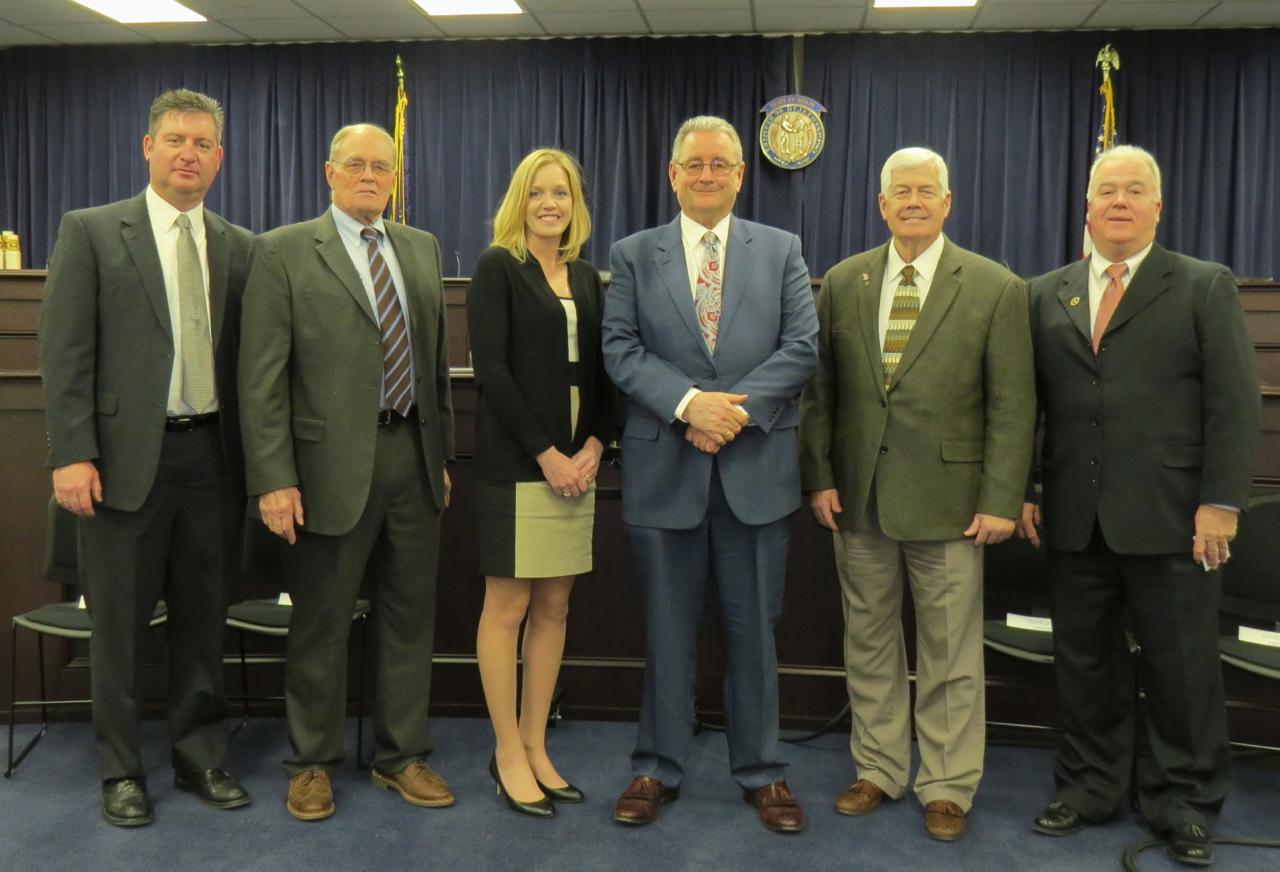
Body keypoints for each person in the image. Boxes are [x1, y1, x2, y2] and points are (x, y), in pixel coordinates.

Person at [1019, 145, 1259, 867]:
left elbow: (1233, 405)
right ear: (1085, 207)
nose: (1119, 201)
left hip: (1174, 516)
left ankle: (1183, 802)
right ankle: (1090, 786)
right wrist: (1028, 488)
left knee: (1182, 667)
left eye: (1135, 190)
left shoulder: (1201, 286)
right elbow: (1030, 406)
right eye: (1106, 190)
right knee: (1084, 662)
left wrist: (1221, 503)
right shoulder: (1044, 293)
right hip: (1072, 514)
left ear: (1158, 206)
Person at [799, 147, 1035, 842]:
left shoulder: (995, 287)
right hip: (860, 500)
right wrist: (820, 476)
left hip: (955, 504)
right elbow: (822, 395)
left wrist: (1000, 496)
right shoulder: (845, 281)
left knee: (949, 652)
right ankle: (876, 767)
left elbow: (1014, 406)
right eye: (899, 191)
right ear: (881, 205)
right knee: (868, 641)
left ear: (947, 202)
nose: (912, 200)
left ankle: (946, 783)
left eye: (925, 190)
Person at [38, 88, 253, 826]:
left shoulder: (239, 246)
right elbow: (65, 354)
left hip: (213, 464)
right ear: (147, 148)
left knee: (202, 621)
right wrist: (71, 453)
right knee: (121, 629)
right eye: (174, 140)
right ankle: (121, 771)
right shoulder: (93, 232)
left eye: (201, 144)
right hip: (121, 465)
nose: (187, 153)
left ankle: (200, 759)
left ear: (218, 159)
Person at [601, 115, 818, 833]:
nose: (706, 175)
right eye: (693, 165)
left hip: (755, 472)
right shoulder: (633, 254)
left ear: (739, 174)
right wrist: (690, 405)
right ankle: (656, 766)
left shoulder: (781, 249)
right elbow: (622, 350)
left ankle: (761, 771)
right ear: (672, 175)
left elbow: (801, 347)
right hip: (666, 469)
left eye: (720, 164)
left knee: (755, 630)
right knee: (666, 630)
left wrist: (732, 414)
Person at [238, 123, 455, 821]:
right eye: (356, 165)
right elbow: (261, 377)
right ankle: (309, 763)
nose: (369, 176)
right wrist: (273, 477)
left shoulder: (419, 248)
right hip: (324, 469)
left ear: (395, 177)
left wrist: (439, 458)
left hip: (411, 464)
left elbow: (434, 367)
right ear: (329, 173)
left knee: (407, 618)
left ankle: (400, 756)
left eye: (381, 167)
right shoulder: (283, 251)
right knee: (321, 624)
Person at [468, 148, 613, 817]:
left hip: (575, 471)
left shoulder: (586, 276)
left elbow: (602, 375)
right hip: (519, 469)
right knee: (509, 609)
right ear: (519, 201)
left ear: (574, 204)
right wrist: (547, 454)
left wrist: (593, 446)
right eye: (538, 193)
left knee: (555, 609)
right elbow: (492, 374)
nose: (550, 203)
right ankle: (505, 751)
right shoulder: (500, 267)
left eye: (561, 193)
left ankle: (536, 745)